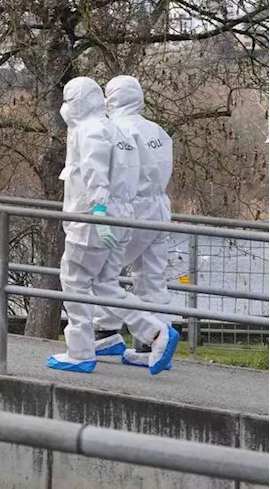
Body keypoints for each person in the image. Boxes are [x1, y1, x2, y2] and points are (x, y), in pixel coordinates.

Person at [46, 76, 179, 375]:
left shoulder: (97, 130)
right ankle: (155, 333)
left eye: (69, 101)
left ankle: (82, 350)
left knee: (77, 281)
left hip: (98, 217)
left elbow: (95, 177)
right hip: (138, 211)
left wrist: (101, 212)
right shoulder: (140, 131)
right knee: (120, 282)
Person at [92, 75, 178, 367]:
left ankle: (105, 333)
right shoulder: (158, 131)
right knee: (152, 278)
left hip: (130, 209)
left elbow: (109, 174)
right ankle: (154, 343)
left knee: (102, 273)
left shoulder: (112, 129)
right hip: (159, 209)